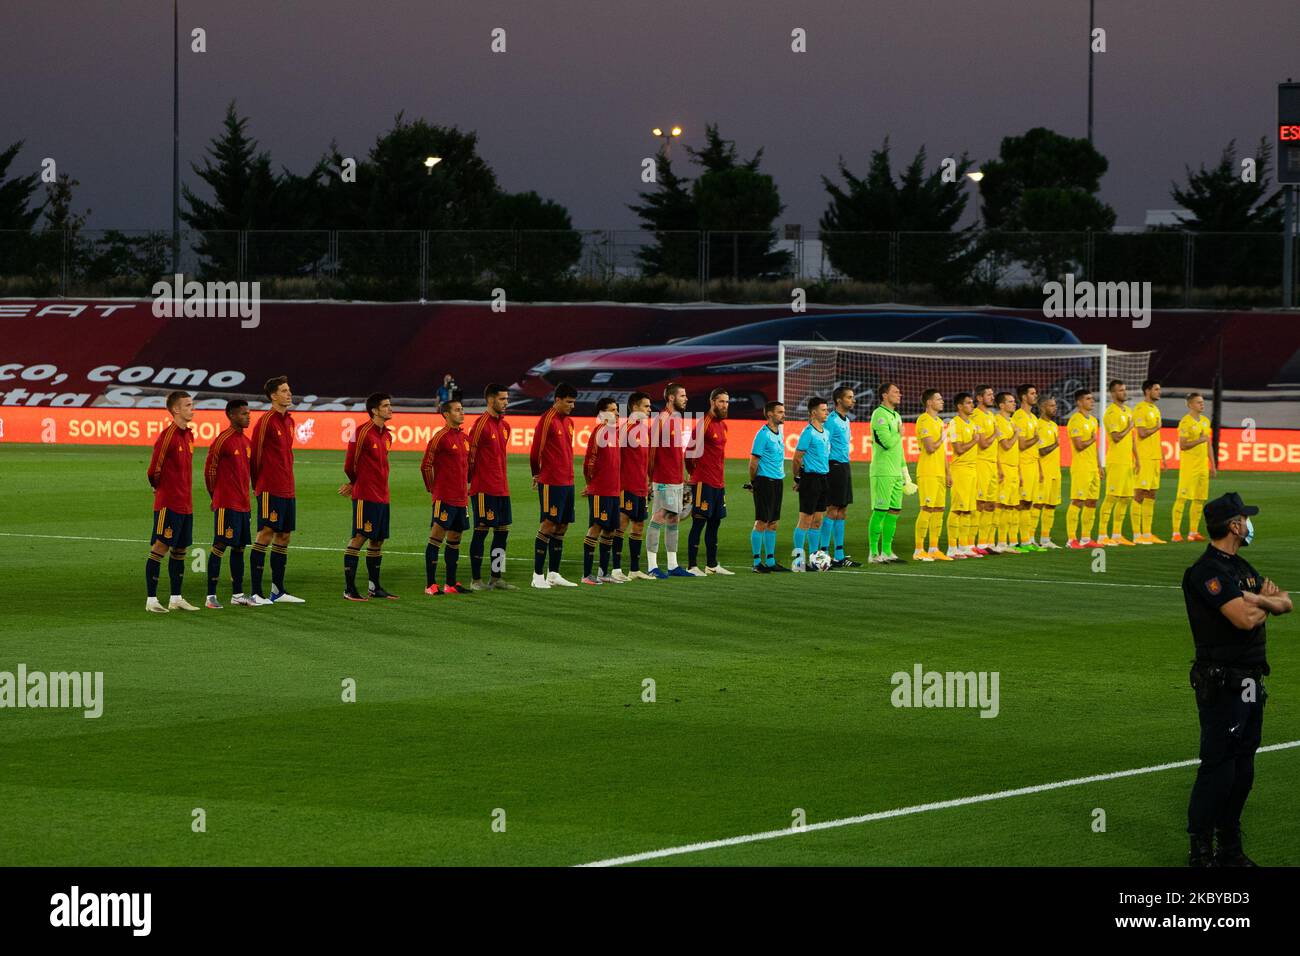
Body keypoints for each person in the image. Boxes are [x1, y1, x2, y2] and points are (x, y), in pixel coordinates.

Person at [1183, 493, 1291, 866]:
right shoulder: (1206, 571)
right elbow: (1243, 619)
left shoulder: (1241, 567)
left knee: (1242, 769)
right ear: (1233, 525)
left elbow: (1286, 602)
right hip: (1222, 683)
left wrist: (1256, 599)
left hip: (1250, 681)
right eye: (1244, 518)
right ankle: (1200, 850)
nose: (1248, 524)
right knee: (1218, 768)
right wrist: (1263, 602)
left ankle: (1229, 847)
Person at [249, 376, 304, 604]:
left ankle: (278, 590)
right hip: (270, 488)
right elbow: (256, 456)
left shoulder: (289, 421)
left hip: (287, 488)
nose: (289, 394)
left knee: (284, 536)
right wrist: (258, 485)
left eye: (289, 390)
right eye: (284, 390)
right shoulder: (266, 422)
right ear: (273, 396)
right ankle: (255, 592)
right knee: (266, 533)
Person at [144, 390, 198, 613]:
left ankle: (176, 598)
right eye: (187, 405)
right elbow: (153, 469)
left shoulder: (189, 436)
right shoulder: (168, 436)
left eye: (191, 404)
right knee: (161, 546)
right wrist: (161, 490)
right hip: (169, 503)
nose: (191, 408)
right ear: (176, 409)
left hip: (186, 503)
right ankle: (152, 600)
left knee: (181, 549)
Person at [340, 393, 397, 601]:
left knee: (378, 540)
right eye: (386, 406)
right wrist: (354, 483)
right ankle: (349, 589)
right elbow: (349, 463)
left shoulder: (388, 435)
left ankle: (375, 588)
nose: (390, 409)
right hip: (365, 495)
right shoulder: (360, 432)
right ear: (374, 410)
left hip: (383, 496)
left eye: (390, 405)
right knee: (359, 537)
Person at [203, 399, 256, 609]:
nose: (248, 416)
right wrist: (214, 497)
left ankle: (237, 594)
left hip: (244, 505)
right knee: (220, 545)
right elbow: (210, 471)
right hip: (226, 503)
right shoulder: (222, 440)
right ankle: (210, 596)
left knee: (240, 548)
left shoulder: (246, 442)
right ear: (232, 415)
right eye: (244, 413)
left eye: (248, 413)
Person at [467, 384, 516, 590]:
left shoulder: (505, 426)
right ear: (490, 400)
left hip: (501, 488)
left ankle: (496, 577)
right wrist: (470, 481)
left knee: (502, 532)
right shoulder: (480, 425)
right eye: (502, 399)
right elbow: (469, 457)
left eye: (507, 398)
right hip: (483, 488)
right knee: (481, 531)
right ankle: (476, 579)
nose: (506, 402)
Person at [529, 383, 579, 589]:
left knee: (563, 526)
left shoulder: (569, 422)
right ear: (557, 400)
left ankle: (554, 573)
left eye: (573, 402)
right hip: (551, 481)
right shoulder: (547, 419)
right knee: (549, 524)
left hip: (568, 481)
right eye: (568, 402)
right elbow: (535, 451)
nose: (572, 406)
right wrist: (536, 474)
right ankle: (537, 575)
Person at [421, 398, 473, 595]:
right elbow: (425, 465)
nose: (462, 413)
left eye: (462, 409)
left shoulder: (465, 439)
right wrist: (432, 488)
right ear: (446, 414)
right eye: (457, 410)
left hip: (461, 499)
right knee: (437, 537)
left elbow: (468, 467)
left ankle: (451, 584)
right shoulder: (440, 437)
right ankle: (430, 585)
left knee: (456, 538)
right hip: (445, 497)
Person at [645, 383, 693, 578]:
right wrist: (650, 479)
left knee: (673, 518)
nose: (686, 398)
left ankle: (673, 565)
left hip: (675, 478)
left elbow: (672, 453)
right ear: (671, 398)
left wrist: (680, 477)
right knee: (658, 516)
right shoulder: (662, 419)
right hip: (663, 479)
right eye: (682, 395)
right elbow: (651, 452)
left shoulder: (675, 419)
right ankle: (652, 566)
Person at [686, 388, 732, 575]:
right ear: (712, 402)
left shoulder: (724, 426)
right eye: (721, 401)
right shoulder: (704, 424)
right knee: (699, 523)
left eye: (727, 402)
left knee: (715, 523)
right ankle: (692, 566)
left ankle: (712, 565)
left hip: (718, 484)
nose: (725, 405)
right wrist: (694, 476)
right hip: (703, 482)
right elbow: (689, 453)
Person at [581, 397, 623, 585]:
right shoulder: (599, 432)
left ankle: (603, 573)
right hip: (601, 490)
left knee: (610, 530)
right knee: (596, 527)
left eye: (616, 409)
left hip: (614, 491)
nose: (617, 413)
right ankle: (587, 574)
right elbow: (589, 462)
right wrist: (592, 485)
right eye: (613, 410)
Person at [614, 392, 654, 581]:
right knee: (621, 525)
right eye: (646, 406)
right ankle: (615, 569)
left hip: (641, 487)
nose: (649, 410)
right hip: (626, 486)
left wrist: (648, 481)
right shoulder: (625, 429)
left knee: (638, 526)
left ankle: (635, 569)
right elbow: (615, 460)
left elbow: (644, 460)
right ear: (635, 407)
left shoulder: (644, 430)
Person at [748, 401, 789, 572]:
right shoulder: (762, 435)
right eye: (780, 412)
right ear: (770, 414)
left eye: (783, 411)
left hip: (778, 481)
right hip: (764, 481)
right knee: (761, 522)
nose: (783, 414)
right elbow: (753, 462)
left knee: (773, 523)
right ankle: (757, 562)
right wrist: (754, 482)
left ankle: (770, 561)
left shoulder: (778, 433)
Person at [914, 389, 954, 562]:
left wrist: (948, 472)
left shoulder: (938, 421)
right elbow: (930, 447)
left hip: (939, 472)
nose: (942, 401)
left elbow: (942, 451)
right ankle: (918, 550)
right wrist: (944, 435)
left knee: (939, 510)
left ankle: (934, 548)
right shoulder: (924, 420)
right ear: (929, 402)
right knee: (927, 509)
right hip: (928, 472)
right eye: (938, 399)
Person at [792, 396, 832, 571]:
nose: (827, 412)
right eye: (824, 410)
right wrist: (798, 478)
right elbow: (796, 458)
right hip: (810, 479)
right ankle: (798, 561)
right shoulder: (808, 432)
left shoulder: (826, 432)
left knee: (817, 520)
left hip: (824, 478)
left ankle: (815, 559)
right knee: (805, 520)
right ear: (814, 412)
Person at [1098, 379, 1138, 547]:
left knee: (1125, 498)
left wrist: (1137, 459)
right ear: (1113, 393)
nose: (1124, 392)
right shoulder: (1111, 413)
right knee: (1112, 497)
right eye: (1121, 390)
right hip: (1116, 461)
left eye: (1125, 390)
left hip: (1127, 462)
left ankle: (1117, 534)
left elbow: (1132, 438)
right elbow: (1116, 437)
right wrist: (1129, 427)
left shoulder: (1128, 411)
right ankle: (1102, 535)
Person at [868, 382, 905, 563]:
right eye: (895, 392)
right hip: (882, 471)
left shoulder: (896, 415)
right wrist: (899, 433)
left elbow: (899, 448)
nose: (899, 394)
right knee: (880, 511)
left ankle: (887, 551)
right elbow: (888, 442)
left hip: (896, 472)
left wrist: (905, 474)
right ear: (884, 395)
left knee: (894, 512)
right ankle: (874, 553)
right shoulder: (879, 415)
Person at [1172, 392, 1216, 542]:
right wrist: (1200, 440)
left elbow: (1208, 443)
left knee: (1199, 499)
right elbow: (1183, 445)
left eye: (1202, 402)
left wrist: (1212, 464)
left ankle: (1193, 532)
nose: (1202, 404)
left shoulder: (1205, 421)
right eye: (1198, 402)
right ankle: (1176, 533)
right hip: (1189, 467)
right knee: (1182, 498)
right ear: (1190, 405)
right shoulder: (1185, 422)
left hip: (1202, 467)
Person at [944, 392, 981, 561]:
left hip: (973, 470)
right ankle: (952, 548)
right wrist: (975, 440)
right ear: (960, 406)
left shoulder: (972, 424)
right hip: (960, 470)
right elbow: (958, 449)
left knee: (968, 510)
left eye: (972, 402)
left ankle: (964, 545)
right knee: (957, 509)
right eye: (968, 403)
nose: (972, 405)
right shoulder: (954, 423)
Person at [825, 387, 859, 567]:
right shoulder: (831, 421)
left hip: (844, 466)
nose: (853, 400)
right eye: (849, 397)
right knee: (832, 509)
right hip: (834, 466)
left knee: (842, 510)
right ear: (839, 400)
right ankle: (823, 553)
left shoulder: (846, 420)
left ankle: (839, 555)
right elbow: (824, 443)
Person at [1065, 389, 1102, 549]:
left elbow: (1094, 447)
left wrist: (1100, 466)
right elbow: (1079, 446)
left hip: (1093, 467)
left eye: (1092, 399)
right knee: (1077, 501)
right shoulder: (1075, 421)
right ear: (1079, 402)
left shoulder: (1093, 420)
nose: (1092, 401)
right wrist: (1092, 439)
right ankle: (1071, 539)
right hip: (1081, 468)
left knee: (1092, 502)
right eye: (1088, 399)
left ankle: (1086, 538)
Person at [1132, 378, 1166, 545]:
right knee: (1139, 494)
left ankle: (1147, 533)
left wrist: (1162, 457)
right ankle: (1136, 534)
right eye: (1156, 389)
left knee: (1151, 494)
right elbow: (1142, 433)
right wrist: (1157, 427)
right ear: (1147, 391)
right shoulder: (1140, 409)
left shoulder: (1155, 409)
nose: (1159, 392)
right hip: (1144, 457)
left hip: (1154, 457)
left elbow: (1155, 436)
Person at [1011, 384, 1043, 553]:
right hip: (1023, 464)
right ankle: (1016, 540)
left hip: (1033, 465)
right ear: (1024, 397)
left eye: (1035, 393)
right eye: (1032, 393)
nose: (1035, 395)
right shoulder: (1020, 417)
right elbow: (1022, 445)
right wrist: (1036, 438)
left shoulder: (1033, 418)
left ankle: (1027, 539)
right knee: (1021, 503)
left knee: (1030, 503)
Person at [970, 385, 999, 554]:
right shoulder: (976, 415)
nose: (992, 397)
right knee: (979, 504)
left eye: (992, 394)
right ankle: (971, 542)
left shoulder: (991, 415)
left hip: (992, 464)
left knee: (990, 505)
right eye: (988, 394)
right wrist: (995, 433)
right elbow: (983, 443)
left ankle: (983, 542)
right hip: (981, 463)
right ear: (979, 398)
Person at [1033, 395, 1063, 548]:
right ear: (1043, 408)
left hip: (1055, 472)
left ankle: (1045, 539)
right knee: (1037, 505)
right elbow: (1041, 451)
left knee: (1051, 505)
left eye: (1055, 405)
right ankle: (1030, 537)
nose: (1055, 408)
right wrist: (1055, 444)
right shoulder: (1038, 425)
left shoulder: (1053, 425)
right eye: (1051, 405)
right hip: (1042, 472)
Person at [992, 391, 1021, 554]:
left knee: (1010, 507)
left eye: (1013, 401)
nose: (1013, 403)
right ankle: (991, 541)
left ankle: (1003, 542)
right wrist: (1017, 433)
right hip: (1003, 468)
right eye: (1010, 401)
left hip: (1014, 468)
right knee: (999, 506)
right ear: (1001, 405)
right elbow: (1006, 446)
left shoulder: (1010, 421)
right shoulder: (999, 421)